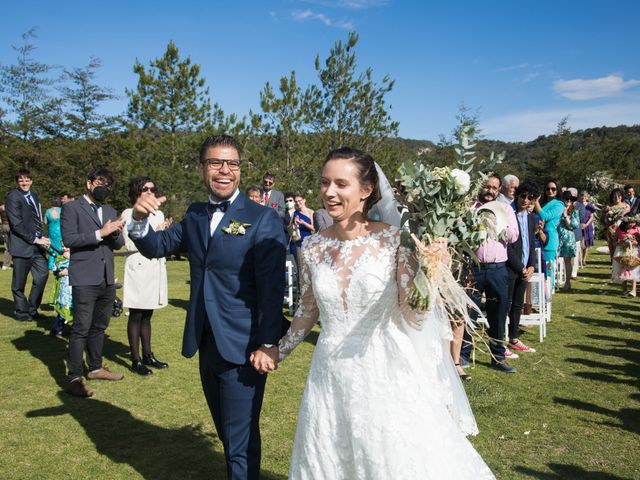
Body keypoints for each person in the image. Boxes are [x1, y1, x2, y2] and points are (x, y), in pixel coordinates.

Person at [262, 147, 495, 479]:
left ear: (366, 191)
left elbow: (414, 317)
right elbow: (307, 310)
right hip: (328, 376)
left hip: (385, 372)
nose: (329, 192)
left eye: (341, 184)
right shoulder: (312, 247)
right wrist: (279, 351)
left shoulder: (394, 241)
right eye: (325, 183)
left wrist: (429, 275)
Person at [129, 135, 286, 480]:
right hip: (205, 340)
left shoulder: (262, 218)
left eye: (232, 163)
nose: (224, 170)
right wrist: (140, 221)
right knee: (229, 433)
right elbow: (157, 246)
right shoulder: (196, 214)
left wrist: (268, 342)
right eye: (215, 162)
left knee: (241, 438)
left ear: (240, 170)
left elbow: (273, 288)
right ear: (202, 169)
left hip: (245, 345)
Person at [61, 167, 126, 398]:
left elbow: (117, 245)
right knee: (81, 328)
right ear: (89, 183)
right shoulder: (71, 208)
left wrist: (117, 232)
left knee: (100, 326)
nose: (104, 187)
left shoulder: (109, 209)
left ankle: (96, 367)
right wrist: (101, 232)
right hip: (85, 276)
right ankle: (74, 377)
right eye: (100, 182)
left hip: (107, 277)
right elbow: (69, 239)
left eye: (108, 184)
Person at [461, 174, 519, 373]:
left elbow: (514, 235)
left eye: (494, 188)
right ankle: (463, 355)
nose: (490, 191)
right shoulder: (470, 208)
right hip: (473, 268)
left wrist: (497, 222)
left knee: (498, 313)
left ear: (499, 190)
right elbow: (460, 234)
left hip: (497, 269)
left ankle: (498, 357)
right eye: (487, 187)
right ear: (481, 187)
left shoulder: (505, 209)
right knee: (469, 312)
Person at [121, 177, 171, 376]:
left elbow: (160, 242)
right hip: (139, 265)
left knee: (148, 314)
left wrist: (163, 231)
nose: (150, 191)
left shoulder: (157, 213)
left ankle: (148, 354)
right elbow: (130, 243)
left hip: (155, 266)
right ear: (137, 192)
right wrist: (153, 234)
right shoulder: (129, 213)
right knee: (136, 314)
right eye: (145, 189)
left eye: (153, 188)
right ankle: (136, 359)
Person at [5, 168, 50, 321]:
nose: (24, 183)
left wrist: (42, 236)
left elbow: (35, 218)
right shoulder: (12, 197)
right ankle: (22, 313)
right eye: (21, 180)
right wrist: (35, 239)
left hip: (37, 247)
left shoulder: (34, 196)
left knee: (42, 276)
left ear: (31, 181)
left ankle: (32, 309)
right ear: (17, 182)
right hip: (21, 246)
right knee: (19, 284)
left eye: (27, 180)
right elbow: (16, 225)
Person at [506, 181, 537, 355]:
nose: (525, 200)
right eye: (523, 196)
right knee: (506, 304)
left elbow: (531, 244)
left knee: (518, 305)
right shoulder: (509, 213)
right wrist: (519, 267)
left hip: (525, 268)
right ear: (517, 194)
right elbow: (506, 245)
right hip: (510, 267)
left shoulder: (531, 217)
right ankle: (499, 341)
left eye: (530, 198)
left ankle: (513, 338)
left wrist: (531, 265)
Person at [534, 179, 565, 281]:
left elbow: (545, 216)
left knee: (547, 269)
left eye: (553, 189)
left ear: (558, 190)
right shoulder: (543, 203)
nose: (550, 191)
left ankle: (548, 294)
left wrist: (536, 203)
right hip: (537, 237)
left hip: (549, 240)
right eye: (548, 189)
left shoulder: (559, 204)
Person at [611, 216, 640, 297]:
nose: (632, 224)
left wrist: (635, 242)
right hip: (621, 251)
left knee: (633, 268)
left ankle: (633, 290)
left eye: (633, 222)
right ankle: (624, 289)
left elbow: (638, 242)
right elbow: (614, 241)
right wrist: (620, 243)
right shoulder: (619, 230)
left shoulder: (637, 229)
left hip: (633, 251)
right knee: (622, 269)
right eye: (630, 223)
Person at [557, 191, 580, 290]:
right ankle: (555, 282)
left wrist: (565, 215)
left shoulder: (575, 212)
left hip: (568, 238)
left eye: (570, 200)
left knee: (567, 261)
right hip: (557, 236)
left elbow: (572, 226)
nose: (568, 201)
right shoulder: (557, 209)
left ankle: (567, 282)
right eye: (566, 199)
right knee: (554, 260)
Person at [601, 188, 630, 261]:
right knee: (613, 251)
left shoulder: (626, 206)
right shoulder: (608, 207)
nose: (617, 197)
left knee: (623, 250)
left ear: (622, 196)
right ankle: (614, 268)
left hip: (623, 231)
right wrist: (607, 227)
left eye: (619, 195)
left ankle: (623, 270)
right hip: (611, 232)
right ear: (612, 197)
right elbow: (601, 220)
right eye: (614, 196)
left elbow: (629, 219)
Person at [49, 247, 72, 336]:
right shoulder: (60, 257)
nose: (64, 248)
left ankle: (77, 330)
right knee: (62, 309)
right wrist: (60, 273)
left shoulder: (79, 256)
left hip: (75, 289)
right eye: (62, 246)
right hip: (64, 290)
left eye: (66, 246)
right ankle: (58, 328)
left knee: (76, 310)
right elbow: (55, 270)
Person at [292, 194, 315, 263]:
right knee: (299, 263)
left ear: (304, 200)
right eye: (296, 202)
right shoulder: (295, 213)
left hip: (308, 239)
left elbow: (313, 228)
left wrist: (303, 223)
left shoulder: (311, 212)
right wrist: (295, 223)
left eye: (300, 201)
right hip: (298, 240)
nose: (298, 203)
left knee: (309, 261)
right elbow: (291, 227)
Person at [575, 191, 596, 265]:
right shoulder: (576, 205)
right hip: (579, 225)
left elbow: (591, 216)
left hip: (587, 226)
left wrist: (586, 224)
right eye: (581, 196)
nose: (583, 197)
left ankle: (584, 259)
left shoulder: (590, 206)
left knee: (586, 244)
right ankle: (579, 259)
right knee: (580, 243)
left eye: (584, 196)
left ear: (587, 197)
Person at [44, 196, 63, 270]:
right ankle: (60, 263)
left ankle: (51, 265)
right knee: (61, 246)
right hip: (60, 230)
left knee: (52, 247)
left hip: (52, 230)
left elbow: (45, 222)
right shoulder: (62, 210)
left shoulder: (48, 211)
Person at [0, 203, 12, 269]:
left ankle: (6, 265)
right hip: (10, 226)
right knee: (11, 246)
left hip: (3, 226)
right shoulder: (11, 206)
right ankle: (6, 265)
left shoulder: (1, 207)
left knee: (7, 245)